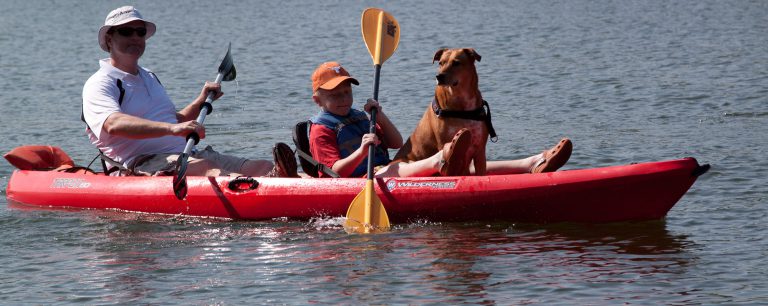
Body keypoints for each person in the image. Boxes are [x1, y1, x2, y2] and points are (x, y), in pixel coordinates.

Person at [82, 6, 297, 177]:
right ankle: (260, 194)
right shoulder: (100, 83)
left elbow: (174, 121)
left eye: (140, 32)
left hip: (187, 154)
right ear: (109, 39)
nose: (136, 37)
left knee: (262, 166)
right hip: (143, 162)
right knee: (207, 168)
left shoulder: (149, 76)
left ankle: (282, 186)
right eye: (126, 31)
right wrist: (172, 129)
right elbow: (113, 124)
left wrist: (201, 100)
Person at [308, 61, 572, 178]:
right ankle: (441, 158)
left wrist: (379, 114)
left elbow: (395, 141)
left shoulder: (357, 115)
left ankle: (532, 162)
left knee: (470, 169)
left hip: (383, 171)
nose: (343, 98)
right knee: (396, 169)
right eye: (334, 95)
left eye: (347, 91)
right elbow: (335, 171)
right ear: (318, 100)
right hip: (363, 182)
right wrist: (362, 150)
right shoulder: (321, 130)